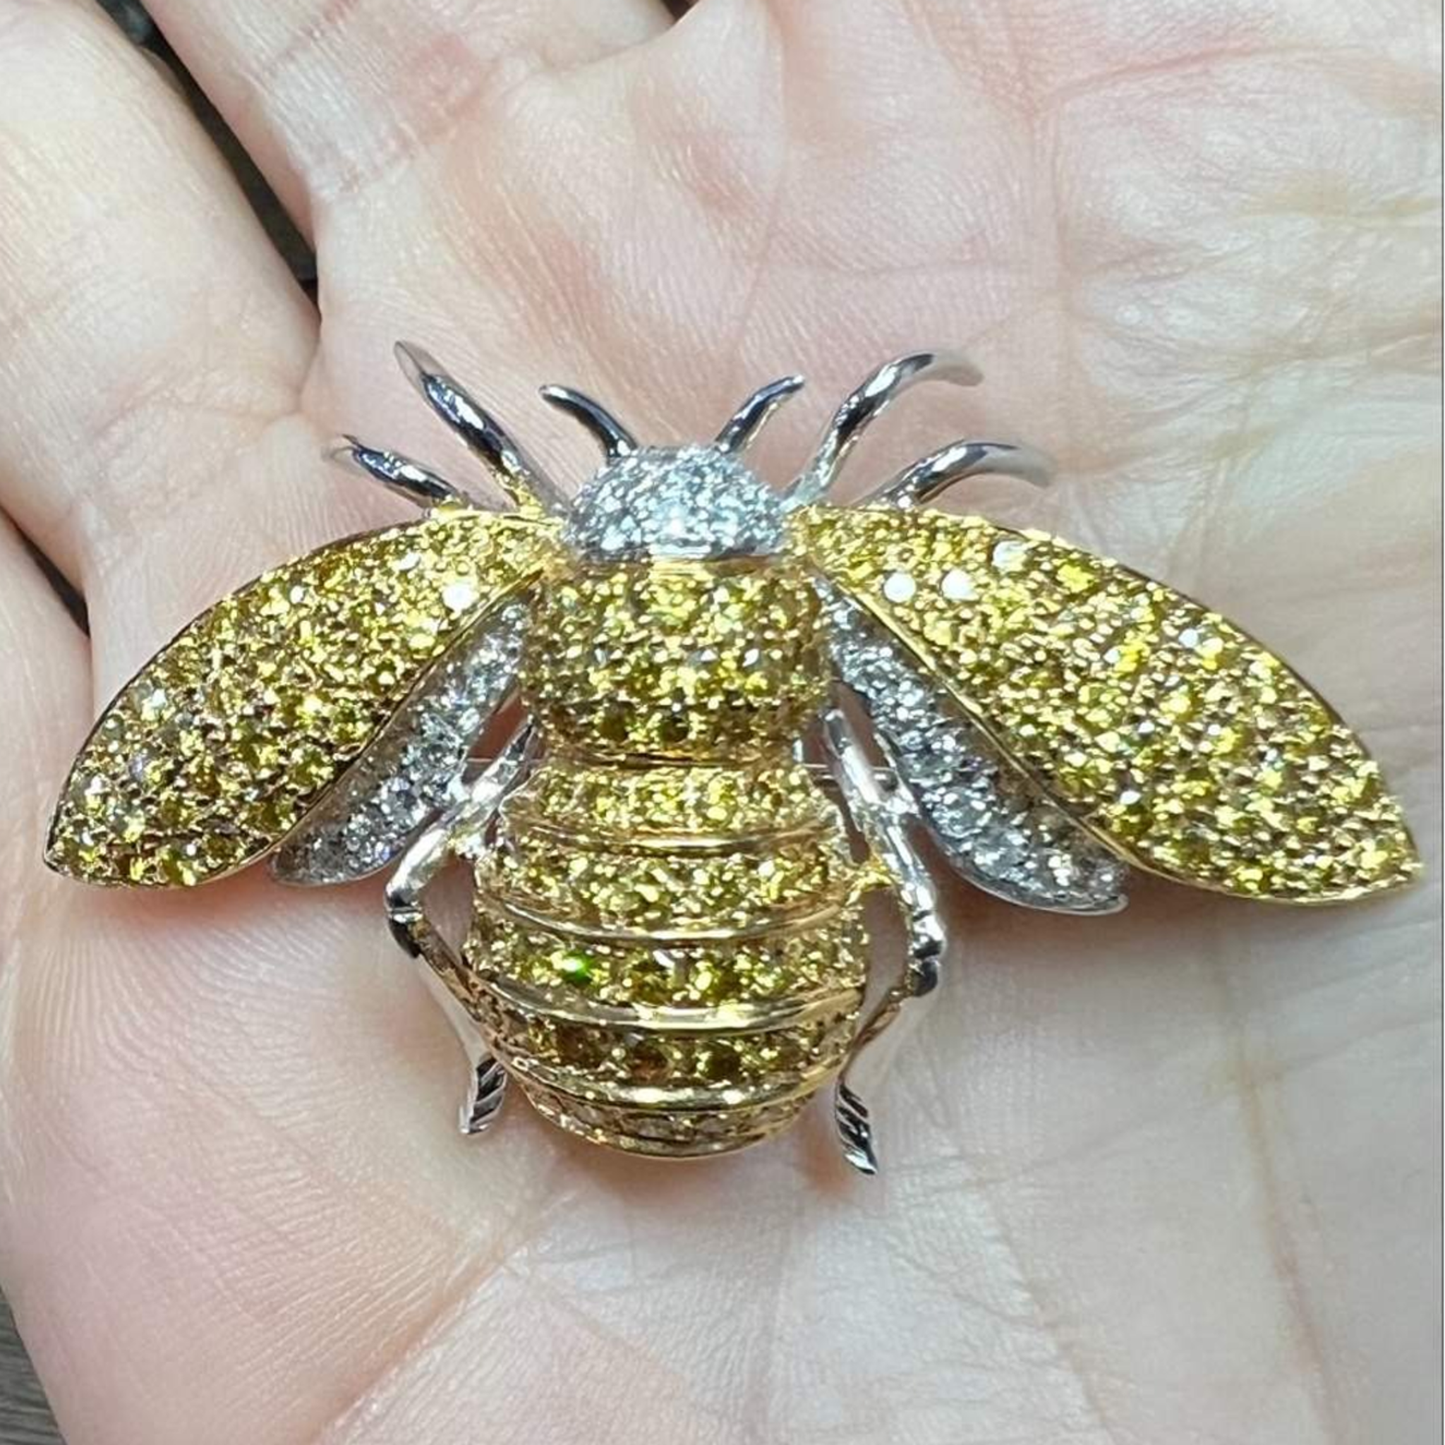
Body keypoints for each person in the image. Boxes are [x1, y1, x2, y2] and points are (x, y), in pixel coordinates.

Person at [0, 2, 1437, 1441]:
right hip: (738, 926)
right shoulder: (862, 563)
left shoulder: (500, 564)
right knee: (919, 939)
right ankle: (827, 1094)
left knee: (406, 901)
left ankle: (498, 1059)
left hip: (576, 925)